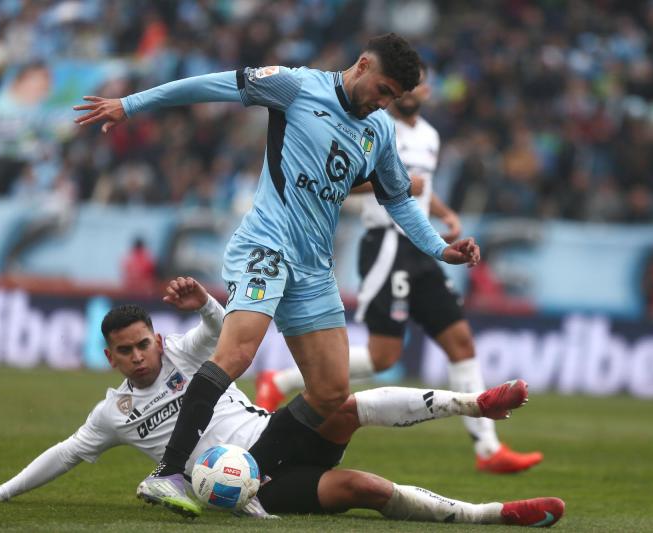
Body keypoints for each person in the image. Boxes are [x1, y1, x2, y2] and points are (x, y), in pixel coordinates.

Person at [73, 32, 481, 516]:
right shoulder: (293, 87)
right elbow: (210, 85)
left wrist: (439, 248)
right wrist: (131, 103)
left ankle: (246, 477)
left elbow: (397, 198)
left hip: (313, 268)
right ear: (363, 64)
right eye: (385, 89)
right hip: (265, 245)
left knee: (331, 392)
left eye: (395, 98)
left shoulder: (380, 134)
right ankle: (168, 474)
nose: (385, 102)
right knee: (238, 351)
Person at [0, 276, 565, 527]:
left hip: (272, 435)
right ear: (111, 357)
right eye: (125, 351)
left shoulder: (182, 352)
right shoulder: (112, 415)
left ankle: (474, 404)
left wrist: (201, 297)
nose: (139, 357)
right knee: (368, 491)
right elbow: (66, 453)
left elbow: (222, 323)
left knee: (341, 403)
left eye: (143, 344)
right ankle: (494, 515)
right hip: (253, 487)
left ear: (156, 339)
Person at [255, 66, 542, 474]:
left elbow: (421, 187)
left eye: (420, 83)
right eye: (405, 84)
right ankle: (280, 381)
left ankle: (488, 450)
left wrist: (444, 213)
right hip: (387, 244)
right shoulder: (373, 124)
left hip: (422, 250)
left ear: (426, 90)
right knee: (383, 355)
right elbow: (340, 178)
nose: (412, 90)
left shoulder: (429, 135)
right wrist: (394, 186)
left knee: (461, 341)